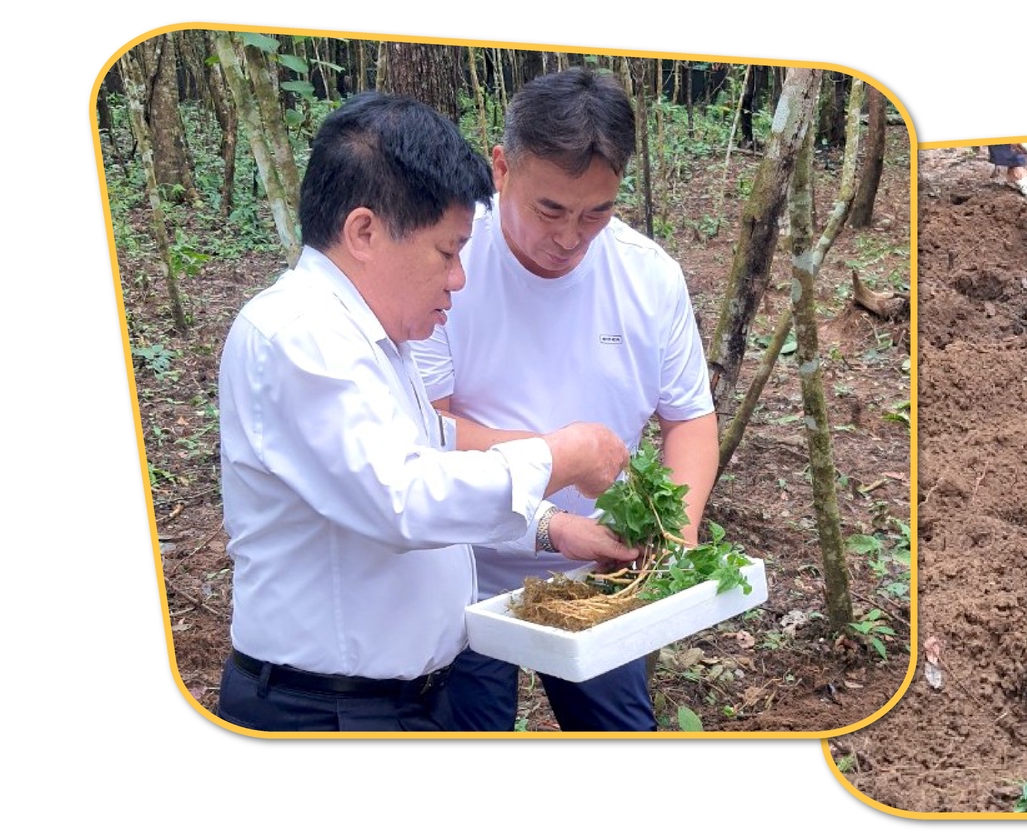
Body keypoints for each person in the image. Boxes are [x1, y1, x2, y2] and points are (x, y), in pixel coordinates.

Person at [212, 91, 629, 732]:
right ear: (365, 231)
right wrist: (562, 453)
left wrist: (553, 530)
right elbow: (402, 498)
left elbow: (433, 458)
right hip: (325, 709)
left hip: (403, 699)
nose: (458, 277)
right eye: (446, 252)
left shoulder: (377, 345)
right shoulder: (296, 335)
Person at [415, 68, 718, 733]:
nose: (571, 236)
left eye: (597, 212)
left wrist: (679, 536)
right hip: (461, 566)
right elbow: (427, 432)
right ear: (501, 168)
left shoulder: (648, 278)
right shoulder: (446, 266)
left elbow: (690, 418)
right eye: (549, 208)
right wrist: (562, 459)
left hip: (600, 572)